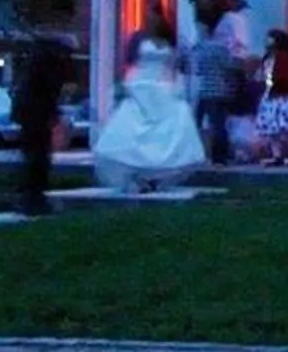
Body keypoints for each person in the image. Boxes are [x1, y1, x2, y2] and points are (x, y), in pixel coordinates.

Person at [94, 15, 205, 193]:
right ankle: (136, 172)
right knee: (133, 123)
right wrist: (125, 82)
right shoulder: (139, 39)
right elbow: (132, 61)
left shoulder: (170, 43)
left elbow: (174, 66)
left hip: (162, 86)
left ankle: (156, 175)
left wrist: (177, 85)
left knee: (167, 126)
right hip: (141, 84)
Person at [181, 0, 259, 167]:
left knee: (217, 120)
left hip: (222, 80)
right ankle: (200, 153)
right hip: (207, 79)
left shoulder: (230, 21)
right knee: (202, 117)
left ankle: (220, 156)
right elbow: (197, 49)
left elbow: (237, 52)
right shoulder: (204, 25)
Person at [10, 27, 80, 217]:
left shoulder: (38, 56)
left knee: (33, 154)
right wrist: (54, 112)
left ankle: (29, 196)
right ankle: (33, 199)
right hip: (36, 113)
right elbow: (49, 90)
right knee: (38, 156)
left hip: (29, 112)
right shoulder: (51, 61)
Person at [250, 27, 288, 165]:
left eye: (270, 38)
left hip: (282, 96)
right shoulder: (267, 58)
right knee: (272, 129)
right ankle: (277, 155)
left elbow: (285, 77)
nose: (267, 41)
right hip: (270, 97)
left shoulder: (283, 57)